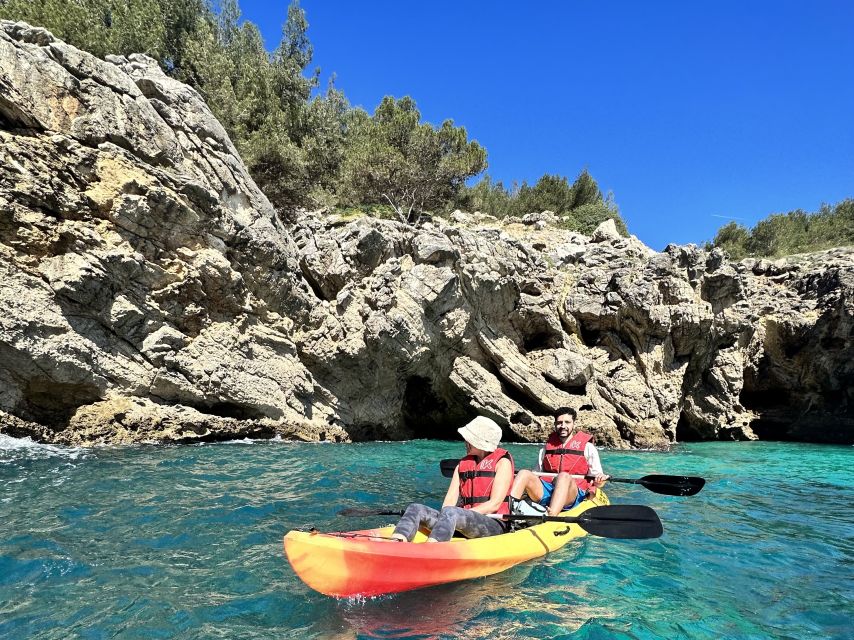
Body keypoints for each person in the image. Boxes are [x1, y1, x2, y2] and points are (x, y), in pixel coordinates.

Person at [391, 416, 515, 542]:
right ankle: (397, 541)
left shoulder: (502, 463)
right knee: (415, 508)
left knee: (452, 512)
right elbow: (448, 503)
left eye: (469, 440)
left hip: (493, 525)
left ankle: (433, 547)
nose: (465, 442)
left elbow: (494, 504)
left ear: (479, 441)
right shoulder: (461, 466)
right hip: (461, 520)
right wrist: (448, 518)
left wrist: (461, 514)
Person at [509, 407, 608, 517]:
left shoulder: (588, 448)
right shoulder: (546, 448)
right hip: (548, 490)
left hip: (573, 494)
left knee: (563, 476)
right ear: (555, 424)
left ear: (573, 424)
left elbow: (597, 481)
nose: (563, 426)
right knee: (524, 473)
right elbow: (536, 474)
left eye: (567, 422)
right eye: (559, 422)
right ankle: (510, 510)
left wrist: (599, 480)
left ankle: (551, 516)